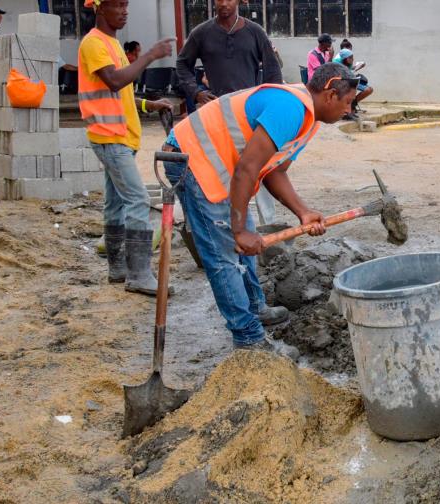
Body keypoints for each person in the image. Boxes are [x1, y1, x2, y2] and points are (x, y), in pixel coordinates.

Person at [159, 63, 358, 356]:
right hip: (190, 159)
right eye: (348, 102)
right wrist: (237, 230)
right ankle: (248, 338)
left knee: (246, 240)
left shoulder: (309, 118)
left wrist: (303, 212)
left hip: (219, 166)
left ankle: (255, 307)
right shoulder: (290, 108)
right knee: (223, 254)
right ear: (330, 94)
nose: (349, 110)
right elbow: (247, 169)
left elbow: (273, 171)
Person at [78, 0, 175, 295]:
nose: (124, 10)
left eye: (125, 5)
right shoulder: (94, 43)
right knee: (136, 199)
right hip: (109, 137)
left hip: (120, 137)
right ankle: (138, 274)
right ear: (99, 9)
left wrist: (149, 104)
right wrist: (149, 56)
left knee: (115, 203)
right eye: (117, 5)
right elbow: (115, 81)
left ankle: (118, 268)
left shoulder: (112, 44)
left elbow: (122, 93)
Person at [176, 0, 282, 109]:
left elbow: (273, 70)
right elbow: (182, 64)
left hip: (247, 107)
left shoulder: (255, 32)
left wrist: (270, 103)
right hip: (216, 108)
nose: (223, 4)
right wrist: (196, 92)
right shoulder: (201, 33)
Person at [333, 48, 372, 120]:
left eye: (352, 57)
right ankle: (347, 112)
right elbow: (340, 77)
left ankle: (352, 107)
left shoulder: (348, 63)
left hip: (348, 79)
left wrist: (357, 67)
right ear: (345, 58)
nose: (352, 59)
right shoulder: (337, 64)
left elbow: (350, 73)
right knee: (350, 89)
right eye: (350, 58)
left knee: (366, 89)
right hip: (339, 82)